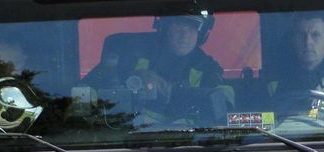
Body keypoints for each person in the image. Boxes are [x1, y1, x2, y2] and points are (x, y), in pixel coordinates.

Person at [94, 14, 230, 125]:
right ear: (165, 27)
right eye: (179, 26)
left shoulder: (207, 68)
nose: (185, 34)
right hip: (129, 135)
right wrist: (128, 78)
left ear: (202, 35)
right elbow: (93, 89)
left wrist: (173, 91)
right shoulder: (130, 50)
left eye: (193, 28)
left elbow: (224, 108)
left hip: (185, 142)